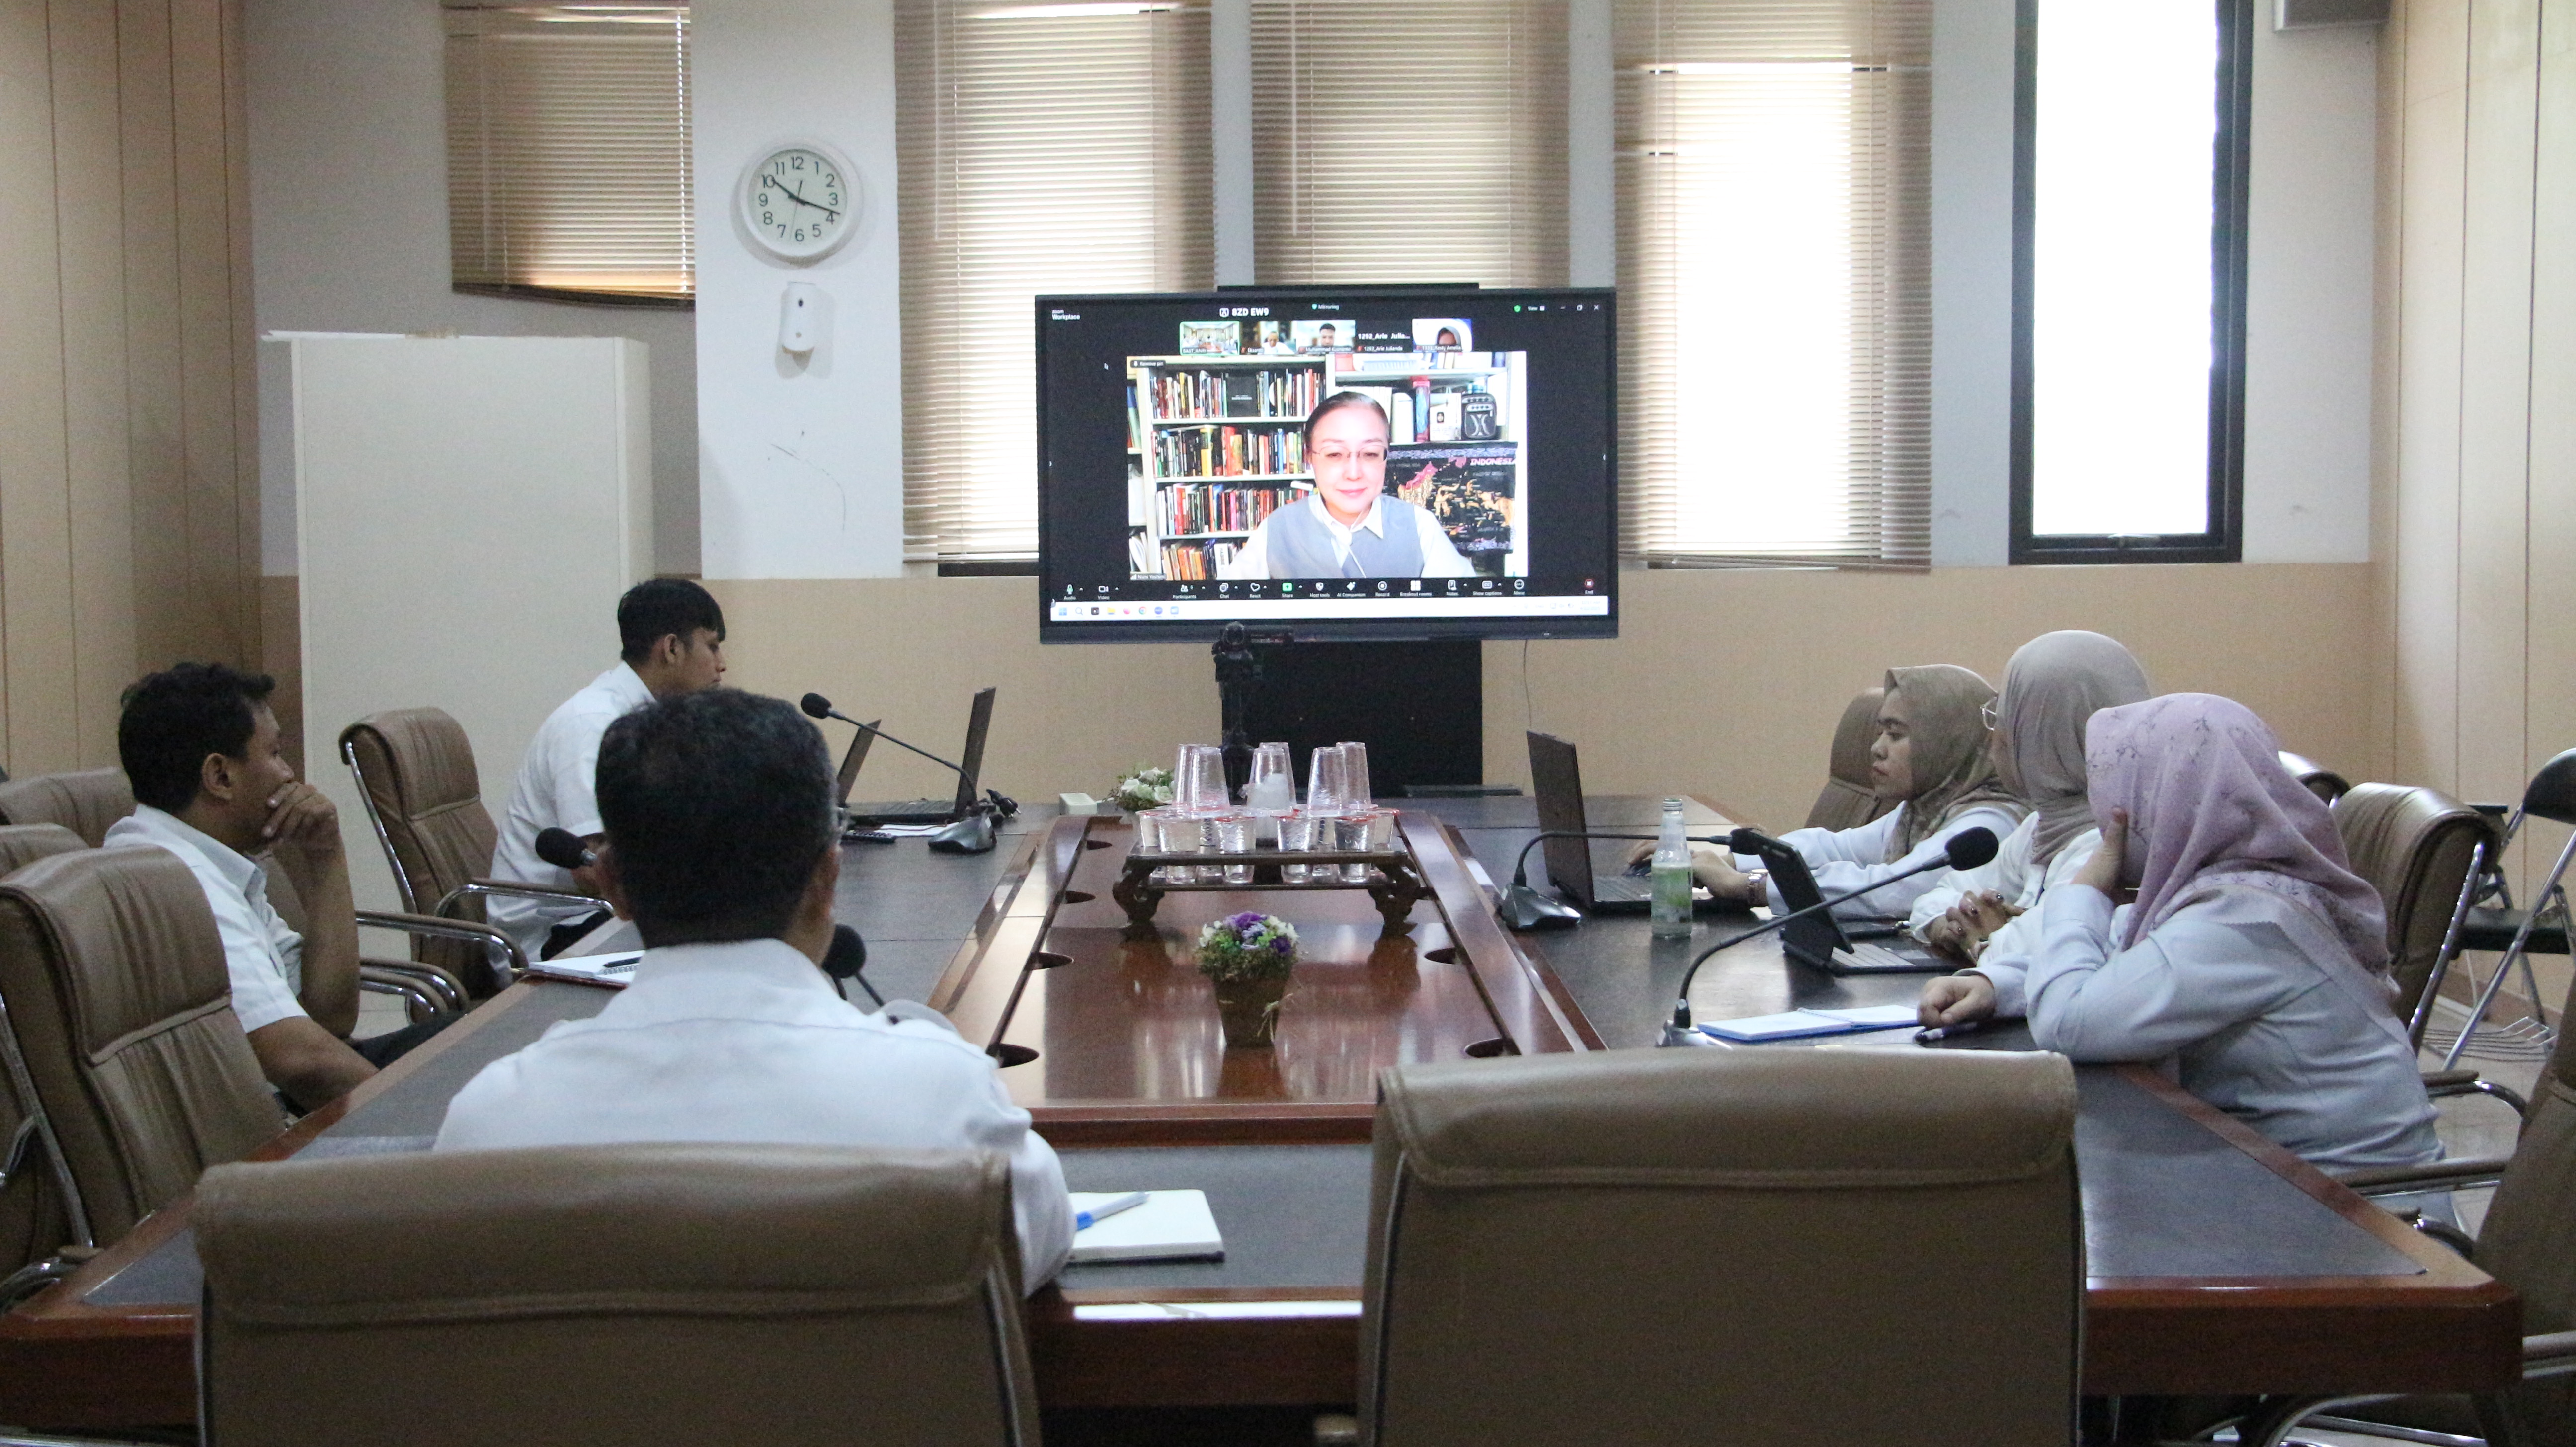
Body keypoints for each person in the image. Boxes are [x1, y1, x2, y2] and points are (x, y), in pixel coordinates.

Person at [436, 688, 1075, 1290]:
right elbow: (1036, 1248)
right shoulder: (946, 1104)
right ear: (828, 877)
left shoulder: (491, 1124)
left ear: (613, 887)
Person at [1919, 694, 2441, 1172]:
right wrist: (1996, 987)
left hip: (2352, 1206)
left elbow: (2069, 1023)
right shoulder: (2226, 886)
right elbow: (2122, 959)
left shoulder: (2248, 920)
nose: (2107, 822)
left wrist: (2084, 890)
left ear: (2166, 799)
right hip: (2267, 1171)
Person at [108, 663, 443, 1110]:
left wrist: (326, 856)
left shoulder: (207, 859)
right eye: (276, 754)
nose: (290, 775)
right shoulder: (175, 880)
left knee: (473, 1044)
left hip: (279, 1098)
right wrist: (430, 1127)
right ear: (220, 777)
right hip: (266, 1125)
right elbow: (301, 1062)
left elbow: (329, 1017)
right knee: (472, 1083)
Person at [1639, 664, 2026, 922]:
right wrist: (1726, 861)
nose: (1877, 748)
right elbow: (1838, 848)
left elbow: (1889, 890)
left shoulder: (1988, 825)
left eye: (1896, 735)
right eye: (1880, 732)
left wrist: (1749, 887)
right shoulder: (1930, 807)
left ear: (1947, 744)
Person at [488, 578, 728, 960]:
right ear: (671, 648)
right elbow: (595, 871)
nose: (721, 664)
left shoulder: (654, 719)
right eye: (712, 646)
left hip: (604, 916)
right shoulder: (592, 724)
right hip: (555, 934)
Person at [1909, 631, 2152, 962]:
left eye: (2005, 717)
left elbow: (2047, 956)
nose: (1994, 737)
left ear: (2045, 734)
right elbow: (1940, 895)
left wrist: (1991, 940)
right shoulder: (2042, 826)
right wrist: (1950, 924)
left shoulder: (2109, 846)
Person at [1219, 393, 1476, 581]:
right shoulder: (1277, 528)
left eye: (1371, 454)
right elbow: (1229, 613)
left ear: (1386, 456)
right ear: (1310, 458)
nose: (1353, 473)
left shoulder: (1420, 526)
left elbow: (1463, 618)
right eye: (1334, 454)